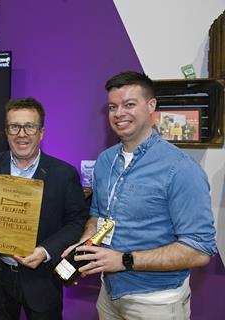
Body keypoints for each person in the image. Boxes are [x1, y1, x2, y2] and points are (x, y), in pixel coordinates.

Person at [62, 71, 216, 319]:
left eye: (129, 104)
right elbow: (97, 215)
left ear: (151, 106)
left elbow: (200, 249)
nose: (119, 113)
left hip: (156, 303)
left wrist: (124, 260)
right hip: (109, 294)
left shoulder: (180, 168)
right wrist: (85, 246)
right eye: (113, 106)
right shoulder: (105, 161)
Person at [0, 97, 89, 319]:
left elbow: (77, 221)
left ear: (41, 132)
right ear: (6, 132)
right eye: (14, 127)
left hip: (42, 280)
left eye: (29, 126)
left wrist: (45, 251)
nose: (22, 134)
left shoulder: (64, 174)